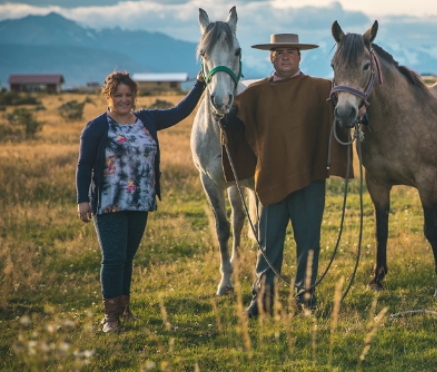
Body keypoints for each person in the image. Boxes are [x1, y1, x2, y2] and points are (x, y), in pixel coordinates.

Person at [220, 33, 351, 317]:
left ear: (299, 57)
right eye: (280, 53)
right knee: (268, 243)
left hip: (310, 176)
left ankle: (306, 298)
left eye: (291, 52)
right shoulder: (255, 92)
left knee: (308, 241)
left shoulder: (321, 89)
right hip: (269, 176)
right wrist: (228, 118)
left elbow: (345, 110)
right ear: (272, 57)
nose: (286, 57)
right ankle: (263, 298)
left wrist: (359, 113)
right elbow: (234, 117)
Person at [76, 71, 206, 332]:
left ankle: (124, 310)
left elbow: (180, 112)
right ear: (109, 97)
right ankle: (110, 316)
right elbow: (84, 165)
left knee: (127, 257)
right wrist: (82, 200)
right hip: (108, 202)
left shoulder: (147, 119)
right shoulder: (97, 126)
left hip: (140, 201)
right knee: (112, 258)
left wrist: (200, 84)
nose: (124, 100)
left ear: (134, 96)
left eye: (128, 95)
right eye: (118, 95)